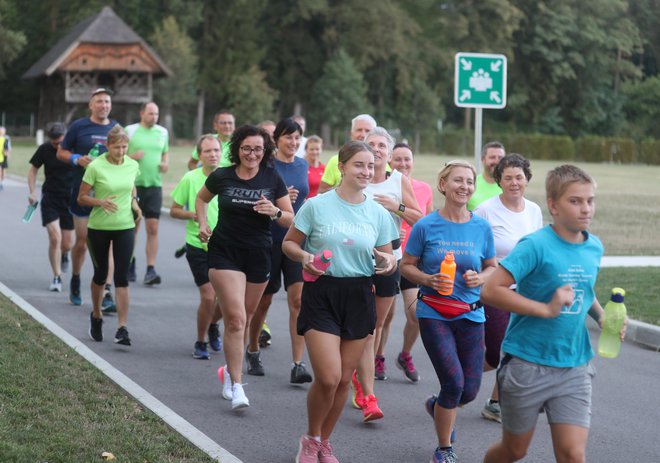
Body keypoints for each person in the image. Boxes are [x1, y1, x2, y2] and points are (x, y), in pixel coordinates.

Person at [481, 165, 623, 463]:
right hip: (527, 363)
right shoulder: (535, 245)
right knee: (514, 450)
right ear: (553, 205)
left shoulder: (593, 246)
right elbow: (491, 290)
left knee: (572, 454)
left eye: (590, 200)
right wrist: (545, 309)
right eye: (575, 201)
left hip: (574, 364)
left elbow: (583, 288)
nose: (586, 209)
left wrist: (601, 317)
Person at [282, 140, 398, 463]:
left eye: (371, 166)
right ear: (343, 167)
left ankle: (323, 442)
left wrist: (386, 263)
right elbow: (289, 244)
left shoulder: (377, 213)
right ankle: (310, 437)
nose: (366, 171)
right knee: (330, 376)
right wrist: (305, 256)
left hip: (360, 295)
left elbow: (388, 258)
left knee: (346, 381)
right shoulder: (317, 205)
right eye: (359, 165)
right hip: (322, 293)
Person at [400, 160, 497, 463]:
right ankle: (444, 449)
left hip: (471, 314)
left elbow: (492, 267)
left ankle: (437, 405)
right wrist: (428, 279)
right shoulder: (426, 225)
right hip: (434, 312)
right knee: (453, 384)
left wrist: (479, 278)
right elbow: (406, 266)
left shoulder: (481, 227)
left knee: (468, 391)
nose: (464, 187)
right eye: (457, 181)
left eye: (469, 182)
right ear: (443, 185)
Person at [196, 124, 293, 410]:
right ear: (237, 149)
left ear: (266, 152)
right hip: (225, 251)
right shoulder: (222, 175)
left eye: (258, 149)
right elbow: (202, 199)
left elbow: (289, 218)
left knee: (247, 316)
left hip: (260, 254)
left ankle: (228, 368)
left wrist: (275, 212)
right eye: (247, 148)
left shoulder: (271, 177)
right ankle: (237, 385)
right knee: (237, 319)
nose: (252, 154)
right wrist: (202, 222)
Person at [351, 128, 422, 423]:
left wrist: (398, 207)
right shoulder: (356, 179)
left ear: (390, 154)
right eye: (371, 145)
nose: (377, 149)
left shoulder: (398, 180)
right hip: (354, 260)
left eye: (382, 145)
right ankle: (366, 390)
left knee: (375, 325)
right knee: (364, 326)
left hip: (389, 260)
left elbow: (420, 219)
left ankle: (358, 373)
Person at [474, 153, 543, 424]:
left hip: (525, 291)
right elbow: (473, 251)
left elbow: (537, 250)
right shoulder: (485, 210)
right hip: (495, 289)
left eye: (519, 177)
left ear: (527, 179)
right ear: (499, 181)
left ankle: (495, 402)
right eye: (508, 177)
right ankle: (459, 376)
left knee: (514, 350)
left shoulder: (534, 210)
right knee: (493, 353)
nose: (514, 182)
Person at [246, 118, 312, 383]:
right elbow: (254, 198)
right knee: (264, 301)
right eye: (288, 138)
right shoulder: (267, 166)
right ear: (277, 139)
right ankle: (252, 349)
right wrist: (280, 201)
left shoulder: (302, 164)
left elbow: (305, 201)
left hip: (296, 241)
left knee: (298, 301)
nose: (293, 143)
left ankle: (298, 364)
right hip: (268, 240)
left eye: (297, 138)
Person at [77, 125, 142, 345]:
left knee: (122, 277)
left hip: (125, 226)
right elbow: (81, 198)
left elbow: (131, 186)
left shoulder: (132, 165)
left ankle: (122, 328)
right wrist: (100, 201)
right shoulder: (96, 166)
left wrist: (135, 202)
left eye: (124, 147)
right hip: (98, 228)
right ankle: (96, 315)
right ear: (107, 146)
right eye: (117, 147)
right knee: (101, 274)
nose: (121, 151)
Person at [57, 88, 118, 308]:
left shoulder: (115, 128)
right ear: (91, 105)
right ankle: (75, 278)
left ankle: (108, 292)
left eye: (107, 101)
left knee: (109, 243)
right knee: (82, 243)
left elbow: (124, 155)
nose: (104, 105)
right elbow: (61, 152)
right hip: (83, 192)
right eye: (99, 101)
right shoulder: (79, 126)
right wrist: (75, 159)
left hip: (108, 194)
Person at [170, 134, 223, 360]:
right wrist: (192, 214)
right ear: (199, 155)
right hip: (197, 244)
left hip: (224, 245)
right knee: (209, 296)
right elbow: (174, 209)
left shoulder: (229, 178)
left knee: (227, 299)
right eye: (208, 151)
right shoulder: (190, 178)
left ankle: (213, 323)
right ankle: (200, 341)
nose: (212, 155)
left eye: (216, 151)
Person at [387, 142, 434, 383]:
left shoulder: (424, 188)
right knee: (384, 315)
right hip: (386, 257)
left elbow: (428, 226)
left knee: (416, 314)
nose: (403, 164)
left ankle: (405, 354)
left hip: (412, 261)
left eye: (407, 159)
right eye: (397, 160)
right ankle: (376, 357)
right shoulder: (384, 185)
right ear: (389, 161)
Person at [125, 102, 169, 286]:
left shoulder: (163, 132)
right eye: (151, 113)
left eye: (157, 114)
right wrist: (132, 157)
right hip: (133, 186)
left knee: (153, 228)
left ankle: (151, 270)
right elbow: (117, 154)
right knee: (133, 227)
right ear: (142, 113)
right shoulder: (130, 130)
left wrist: (165, 163)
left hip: (154, 186)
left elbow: (165, 153)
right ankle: (129, 262)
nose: (154, 117)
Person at [27, 122, 74, 291]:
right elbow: (33, 170)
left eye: (61, 142)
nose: (58, 146)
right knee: (55, 237)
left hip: (70, 199)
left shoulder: (73, 148)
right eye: (55, 143)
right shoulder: (45, 149)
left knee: (67, 243)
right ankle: (57, 276)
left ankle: (65, 254)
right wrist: (32, 192)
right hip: (51, 198)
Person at [317, 114, 376, 194]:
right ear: (351, 133)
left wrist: (398, 207)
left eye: (367, 131)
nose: (363, 135)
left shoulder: (383, 164)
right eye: (359, 130)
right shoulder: (336, 160)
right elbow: (321, 191)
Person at [466, 141, 506, 211]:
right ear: (482, 159)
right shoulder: (471, 184)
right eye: (492, 157)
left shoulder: (510, 185)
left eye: (500, 158)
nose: (497, 161)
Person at [0, 126, 10, 190]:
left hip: (4, 157)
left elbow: (8, 148)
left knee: (3, 171)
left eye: (3, 131)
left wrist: (8, 155)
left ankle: (2, 183)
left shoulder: (6, 139)